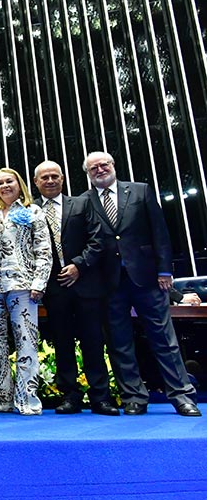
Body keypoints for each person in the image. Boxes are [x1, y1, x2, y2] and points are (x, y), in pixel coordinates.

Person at [82, 151, 200, 416]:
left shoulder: (140, 191)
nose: (100, 170)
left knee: (164, 339)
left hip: (147, 279)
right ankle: (134, 396)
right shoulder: (84, 202)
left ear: (113, 166)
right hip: (109, 284)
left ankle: (182, 395)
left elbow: (160, 232)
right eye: (93, 168)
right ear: (88, 174)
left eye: (104, 165)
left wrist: (164, 271)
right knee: (119, 342)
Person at [32, 161, 118, 416]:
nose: (49, 181)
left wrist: (78, 266)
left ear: (63, 178)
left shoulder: (82, 203)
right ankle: (70, 396)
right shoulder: (30, 210)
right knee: (62, 343)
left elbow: (98, 238)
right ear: (36, 182)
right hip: (53, 287)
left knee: (93, 340)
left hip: (85, 283)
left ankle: (101, 397)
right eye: (44, 177)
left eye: (54, 176)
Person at [0, 167, 52, 415]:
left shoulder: (32, 211)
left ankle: (27, 398)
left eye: (9, 181)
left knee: (26, 339)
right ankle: (0, 397)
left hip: (23, 286)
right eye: (0, 183)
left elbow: (44, 249)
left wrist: (40, 282)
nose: (5, 186)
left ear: (20, 184)